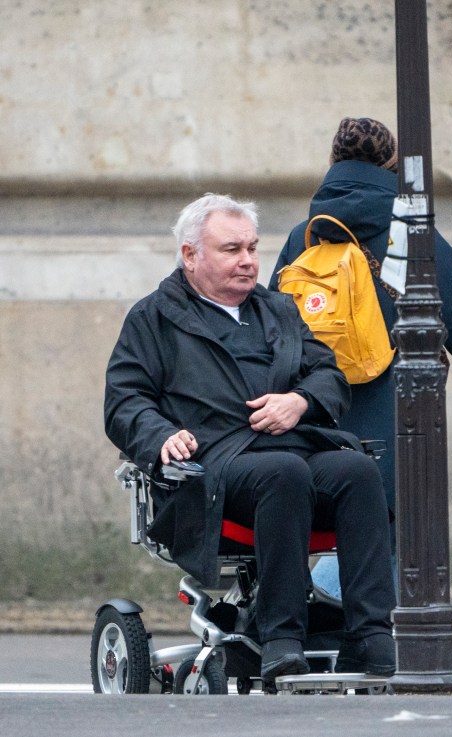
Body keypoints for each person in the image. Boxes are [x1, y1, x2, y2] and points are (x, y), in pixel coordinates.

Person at [104, 193, 397, 681]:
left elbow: (328, 373)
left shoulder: (278, 310)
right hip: (209, 469)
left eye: (253, 248)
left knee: (357, 471)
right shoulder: (152, 318)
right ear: (191, 256)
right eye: (232, 249)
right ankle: (282, 636)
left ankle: (370, 636)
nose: (248, 261)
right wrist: (160, 435)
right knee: (282, 473)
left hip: (293, 453)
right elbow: (123, 400)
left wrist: (299, 402)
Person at [269, 117, 452, 593]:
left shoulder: (303, 236)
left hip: (316, 418)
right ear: (393, 167)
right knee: (387, 537)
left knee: (343, 534)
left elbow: (272, 331)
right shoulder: (410, 234)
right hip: (396, 418)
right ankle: (378, 647)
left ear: (333, 163)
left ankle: (339, 632)